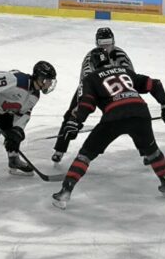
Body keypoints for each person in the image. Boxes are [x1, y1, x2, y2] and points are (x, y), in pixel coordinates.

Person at [51, 48, 165, 210]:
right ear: (109, 60)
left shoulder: (90, 78)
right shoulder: (125, 71)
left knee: (85, 155)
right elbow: (154, 84)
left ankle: (65, 192)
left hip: (114, 116)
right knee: (152, 151)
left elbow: (87, 103)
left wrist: (76, 121)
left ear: (91, 65)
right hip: (140, 112)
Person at [0, 61, 57, 191]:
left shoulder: (35, 95)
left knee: (14, 134)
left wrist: (17, 130)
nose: (50, 84)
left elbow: (23, 114)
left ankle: (13, 160)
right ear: (40, 78)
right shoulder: (18, 80)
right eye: (48, 80)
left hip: (3, 108)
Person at [52, 27, 133, 163]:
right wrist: (79, 108)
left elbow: (130, 77)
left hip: (114, 90)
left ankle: (146, 150)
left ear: (113, 42)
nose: (106, 48)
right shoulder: (91, 57)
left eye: (108, 44)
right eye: (102, 44)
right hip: (92, 89)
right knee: (71, 115)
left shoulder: (121, 55)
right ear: (97, 44)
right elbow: (84, 84)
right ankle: (60, 149)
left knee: (135, 115)